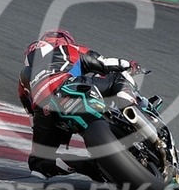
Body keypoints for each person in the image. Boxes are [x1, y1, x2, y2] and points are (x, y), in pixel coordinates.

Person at [18, 29, 140, 180]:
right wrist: (129, 65)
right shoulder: (66, 49)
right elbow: (103, 63)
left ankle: (77, 164)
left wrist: (43, 130)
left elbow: (30, 114)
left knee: (37, 164)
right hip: (70, 86)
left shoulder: (23, 77)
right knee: (117, 77)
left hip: (44, 110)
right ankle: (129, 106)